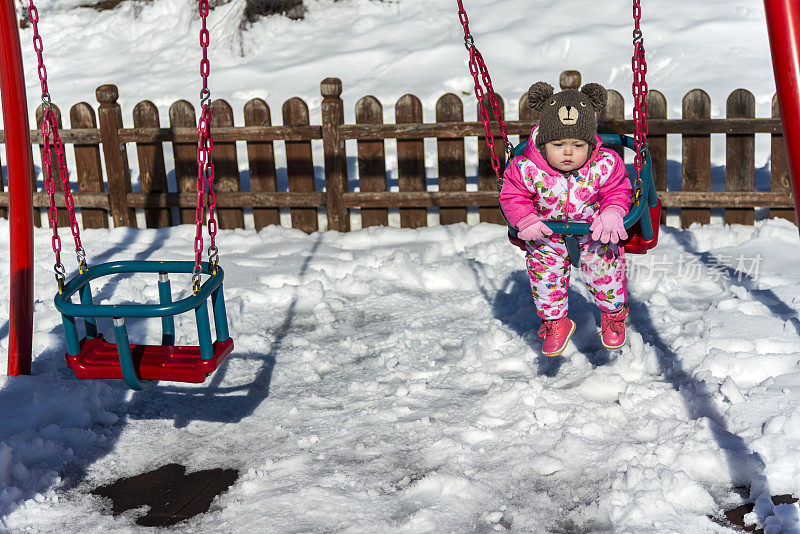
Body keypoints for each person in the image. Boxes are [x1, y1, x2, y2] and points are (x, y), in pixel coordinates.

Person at [499, 81, 631, 356]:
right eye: (559, 144)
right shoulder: (526, 168)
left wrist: (612, 211)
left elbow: (617, 189)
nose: (568, 152)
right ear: (544, 143)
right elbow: (512, 196)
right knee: (544, 275)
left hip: (595, 233)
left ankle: (613, 315)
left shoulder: (604, 164)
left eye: (578, 144)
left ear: (591, 143)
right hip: (547, 236)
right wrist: (525, 219)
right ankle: (555, 322)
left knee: (607, 269)